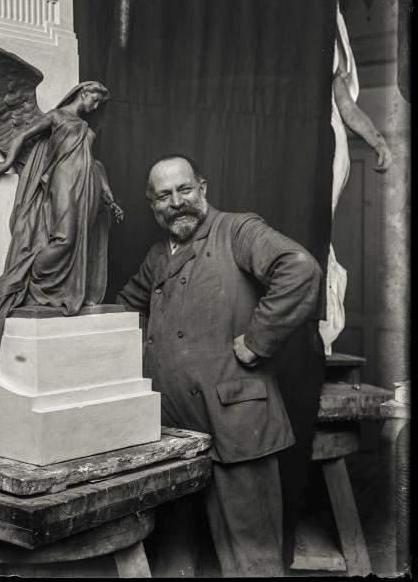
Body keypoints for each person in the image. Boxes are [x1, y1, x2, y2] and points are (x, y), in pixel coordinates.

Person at [117, 155, 323, 576]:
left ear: (203, 189)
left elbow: (300, 269)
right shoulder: (158, 256)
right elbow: (125, 310)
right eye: (164, 195)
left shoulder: (237, 230)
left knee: (252, 561)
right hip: (171, 429)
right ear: (152, 205)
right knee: (174, 555)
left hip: (235, 422)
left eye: (185, 189)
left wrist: (258, 340)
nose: (177, 202)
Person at [0, 81, 125, 355]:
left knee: (80, 238)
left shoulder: (86, 127)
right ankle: (31, 277)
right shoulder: (57, 116)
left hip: (86, 185)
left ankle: (64, 290)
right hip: (64, 178)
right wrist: (8, 162)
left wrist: (107, 194)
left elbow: (93, 162)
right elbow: (23, 135)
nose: (95, 106)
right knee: (65, 237)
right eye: (94, 100)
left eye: (98, 104)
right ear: (83, 93)